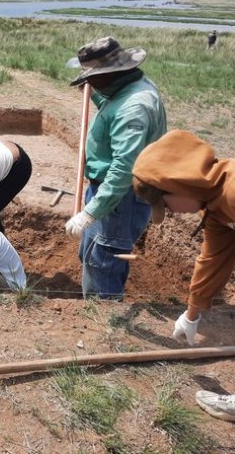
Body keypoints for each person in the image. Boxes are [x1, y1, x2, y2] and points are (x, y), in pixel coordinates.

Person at [132, 130, 235, 425]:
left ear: (178, 187)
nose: (171, 213)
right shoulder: (218, 207)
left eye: (166, 205)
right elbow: (212, 261)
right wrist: (191, 314)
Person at [64, 36, 167, 299]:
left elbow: (123, 168)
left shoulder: (134, 108)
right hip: (108, 192)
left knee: (103, 262)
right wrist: (99, 97)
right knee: (90, 253)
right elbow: (114, 108)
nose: (88, 82)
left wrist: (90, 212)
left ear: (109, 74)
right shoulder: (127, 89)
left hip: (122, 199)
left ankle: (104, 319)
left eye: (92, 78)